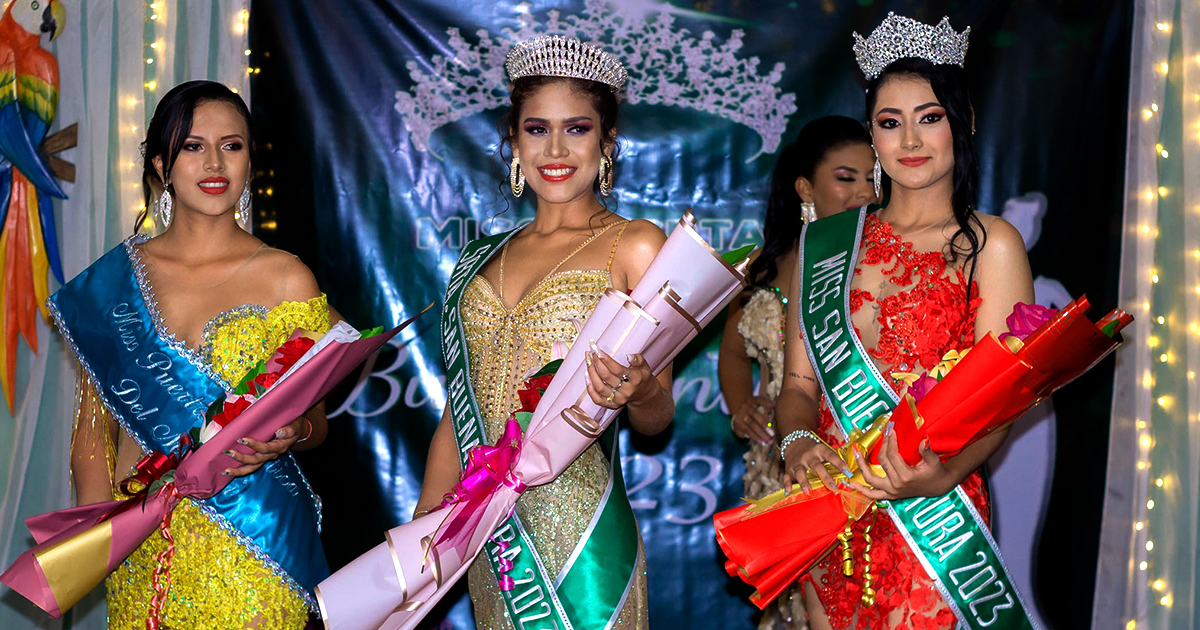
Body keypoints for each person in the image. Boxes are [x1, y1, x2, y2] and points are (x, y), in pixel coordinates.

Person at [773, 15, 1035, 629]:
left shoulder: (992, 246)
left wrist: (939, 475)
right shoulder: (826, 243)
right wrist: (798, 441)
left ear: (962, 122)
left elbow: (1004, 401)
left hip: (935, 516)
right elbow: (799, 387)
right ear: (872, 136)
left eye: (930, 117)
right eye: (891, 123)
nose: (911, 140)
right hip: (833, 513)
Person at [414, 36, 673, 629]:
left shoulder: (635, 244)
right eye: (536, 130)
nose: (555, 149)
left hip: (584, 540)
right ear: (513, 141)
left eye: (577, 129)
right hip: (489, 539)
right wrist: (425, 528)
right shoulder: (478, 258)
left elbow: (659, 416)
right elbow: (461, 414)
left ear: (607, 143)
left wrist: (640, 390)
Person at [62, 80, 331, 628]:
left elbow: (316, 420)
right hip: (139, 541)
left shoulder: (286, 277)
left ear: (250, 162)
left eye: (232, 145)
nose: (214, 162)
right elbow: (93, 433)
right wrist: (95, 543)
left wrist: (292, 433)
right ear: (162, 164)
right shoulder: (112, 284)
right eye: (193, 146)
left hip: (252, 551)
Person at [718, 116, 874, 628]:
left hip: (856, 447)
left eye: (872, 179)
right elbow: (734, 352)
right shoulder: (768, 263)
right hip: (781, 456)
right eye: (846, 177)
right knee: (792, 604)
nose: (862, 192)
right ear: (806, 187)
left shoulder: (877, 259)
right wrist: (742, 405)